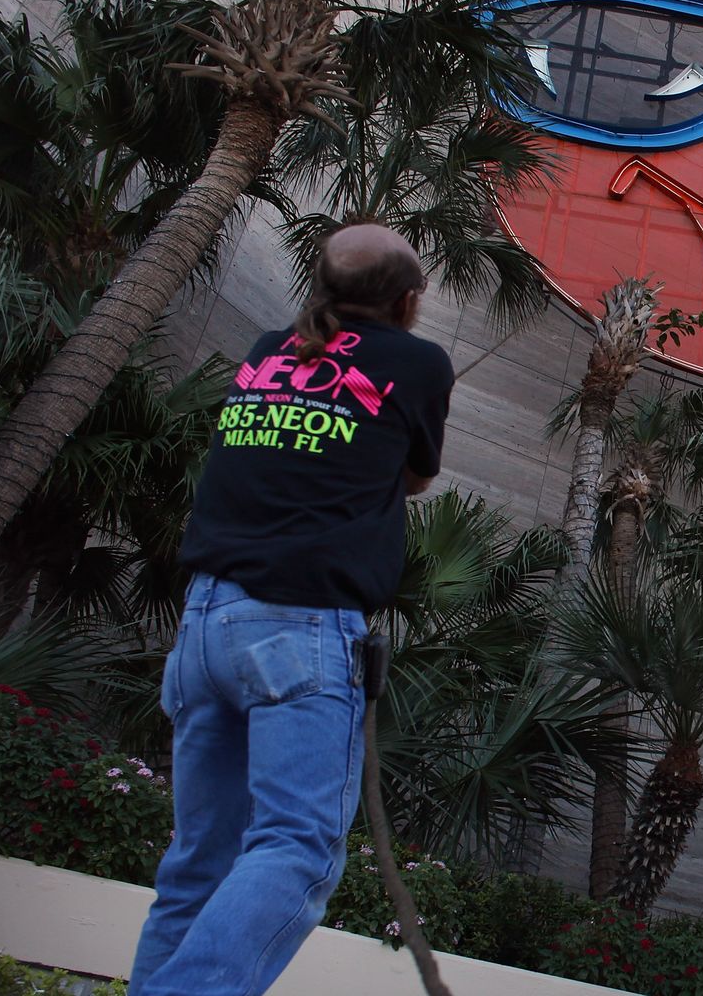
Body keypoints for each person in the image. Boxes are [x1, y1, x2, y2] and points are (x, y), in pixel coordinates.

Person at [129, 224, 456, 996]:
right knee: (296, 849)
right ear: (409, 301)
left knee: (199, 861)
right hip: (299, 631)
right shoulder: (417, 361)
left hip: (206, 625)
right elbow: (414, 478)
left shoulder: (269, 348)